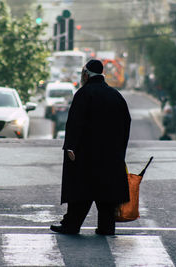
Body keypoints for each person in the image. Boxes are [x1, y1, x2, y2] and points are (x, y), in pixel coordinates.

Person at [50, 59, 131, 235]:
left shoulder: (83, 94)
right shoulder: (115, 95)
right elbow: (126, 123)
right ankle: (106, 228)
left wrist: (70, 147)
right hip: (110, 156)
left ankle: (71, 225)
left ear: (86, 75)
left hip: (86, 156)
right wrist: (119, 151)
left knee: (80, 193)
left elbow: (75, 123)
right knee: (106, 196)